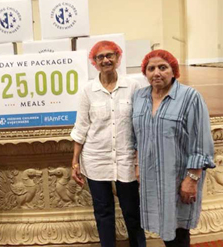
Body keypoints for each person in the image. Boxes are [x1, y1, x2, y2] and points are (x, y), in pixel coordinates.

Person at [133, 50, 215, 246]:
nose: (156, 73)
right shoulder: (139, 97)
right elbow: (137, 136)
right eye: (151, 68)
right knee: (164, 228)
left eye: (163, 67)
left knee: (178, 231)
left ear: (173, 71)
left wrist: (192, 179)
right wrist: (137, 164)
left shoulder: (190, 97)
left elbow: (201, 142)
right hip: (152, 178)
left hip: (179, 178)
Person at [71, 41, 146, 247]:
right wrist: (75, 162)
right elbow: (81, 127)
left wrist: (139, 160)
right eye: (100, 57)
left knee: (132, 212)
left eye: (110, 55)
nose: (106, 60)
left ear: (118, 57)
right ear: (94, 63)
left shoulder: (134, 87)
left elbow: (140, 125)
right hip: (96, 159)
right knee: (103, 213)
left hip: (126, 159)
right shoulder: (88, 90)